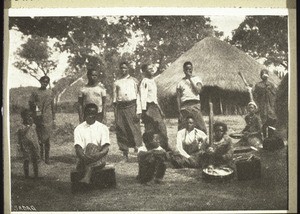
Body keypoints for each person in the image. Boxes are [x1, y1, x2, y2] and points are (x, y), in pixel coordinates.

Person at [113, 62, 142, 161]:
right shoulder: (117, 82)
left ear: (128, 69)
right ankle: (125, 155)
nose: (123, 70)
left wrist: (138, 111)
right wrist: (115, 114)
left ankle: (139, 154)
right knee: (122, 130)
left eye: (125, 68)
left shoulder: (134, 81)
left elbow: (138, 96)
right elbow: (115, 99)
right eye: (121, 68)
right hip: (121, 108)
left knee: (135, 129)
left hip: (132, 106)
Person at [74, 103, 110, 184]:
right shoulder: (78, 129)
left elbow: (105, 149)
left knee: (91, 146)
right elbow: (78, 148)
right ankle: (87, 176)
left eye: (93, 113)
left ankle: (86, 177)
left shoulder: (103, 128)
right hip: (84, 158)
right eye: (88, 113)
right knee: (89, 147)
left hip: (99, 158)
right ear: (84, 113)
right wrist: (84, 157)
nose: (90, 116)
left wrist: (96, 155)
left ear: (97, 114)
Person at [139, 64, 171, 151]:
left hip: (154, 107)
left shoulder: (152, 81)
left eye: (152, 68)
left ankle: (164, 147)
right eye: (149, 69)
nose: (151, 70)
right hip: (148, 107)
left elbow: (155, 97)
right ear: (145, 71)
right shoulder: (144, 81)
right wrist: (144, 111)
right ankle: (151, 149)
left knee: (161, 128)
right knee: (150, 129)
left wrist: (160, 109)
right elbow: (143, 97)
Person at [29, 76, 55, 164]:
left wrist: (54, 118)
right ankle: (40, 157)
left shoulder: (50, 92)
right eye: (43, 81)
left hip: (48, 118)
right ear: (40, 81)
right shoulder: (35, 92)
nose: (45, 83)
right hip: (38, 117)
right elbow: (31, 103)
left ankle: (47, 158)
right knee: (39, 138)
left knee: (47, 138)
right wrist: (35, 111)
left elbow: (52, 105)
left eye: (47, 82)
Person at [176, 61, 207, 133]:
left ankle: (203, 142)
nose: (188, 71)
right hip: (184, 106)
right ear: (183, 70)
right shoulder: (180, 83)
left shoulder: (197, 79)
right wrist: (179, 111)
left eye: (190, 69)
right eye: (186, 69)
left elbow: (198, 91)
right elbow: (178, 97)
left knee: (201, 126)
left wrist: (190, 79)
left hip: (195, 105)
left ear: (192, 69)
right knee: (182, 127)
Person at [253, 69, 277, 138]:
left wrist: (270, 89)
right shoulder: (258, 85)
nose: (264, 75)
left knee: (271, 121)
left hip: (270, 106)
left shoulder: (271, 84)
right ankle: (263, 137)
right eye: (263, 74)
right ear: (261, 76)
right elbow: (255, 95)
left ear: (268, 75)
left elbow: (275, 94)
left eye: (266, 74)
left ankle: (270, 137)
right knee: (263, 122)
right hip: (262, 105)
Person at [17, 109, 41, 179]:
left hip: (33, 144)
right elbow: (20, 134)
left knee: (35, 159)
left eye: (30, 116)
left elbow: (35, 134)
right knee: (26, 159)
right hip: (25, 145)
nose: (29, 118)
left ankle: (36, 175)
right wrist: (19, 144)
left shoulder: (33, 125)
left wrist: (37, 142)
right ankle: (26, 176)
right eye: (27, 116)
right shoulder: (21, 126)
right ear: (23, 117)